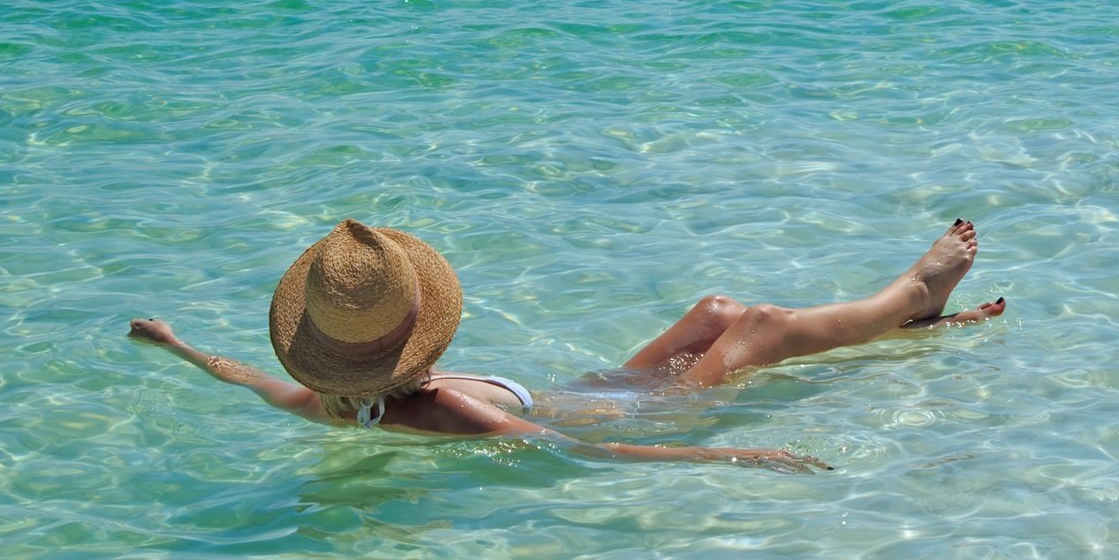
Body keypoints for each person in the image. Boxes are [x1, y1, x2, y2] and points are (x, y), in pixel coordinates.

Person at [127, 217, 1003, 473]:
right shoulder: (444, 409)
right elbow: (587, 452)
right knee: (761, 326)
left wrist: (176, 345)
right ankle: (911, 295)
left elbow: (245, 379)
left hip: (602, 386)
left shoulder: (329, 404)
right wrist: (737, 454)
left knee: (716, 309)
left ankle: (907, 323)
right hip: (650, 410)